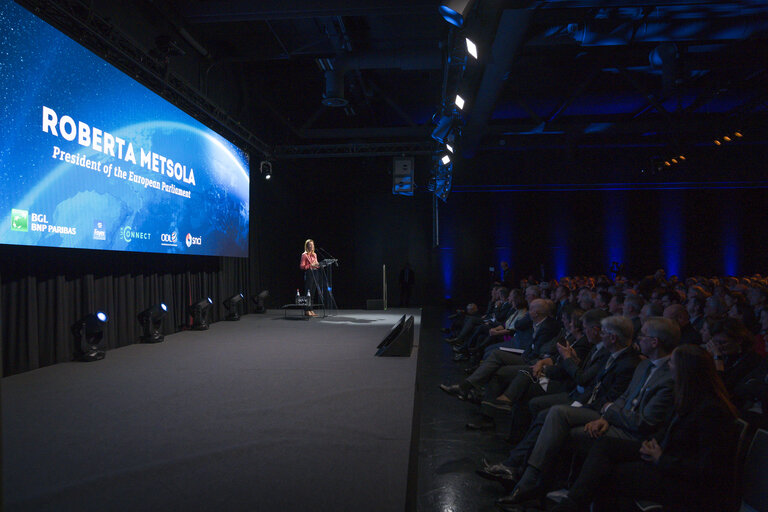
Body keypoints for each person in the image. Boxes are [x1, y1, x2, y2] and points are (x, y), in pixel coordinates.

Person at [551, 344, 739, 512]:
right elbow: (669, 432)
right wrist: (652, 444)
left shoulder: (711, 411)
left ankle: (571, 506)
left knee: (607, 473)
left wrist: (661, 458)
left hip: (682, 480)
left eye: (672, 363)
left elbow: (709, 469)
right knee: (605, 445)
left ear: (685, 370)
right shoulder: (689, 397)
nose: (668, 366)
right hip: (667, 457)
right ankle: (572, 504)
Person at [300, 239, 321, 317]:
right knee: (308, 293)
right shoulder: (304, 255)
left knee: (312, 293)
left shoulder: (314, 254)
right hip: (309, 274)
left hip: (315, 273)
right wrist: (310, 265)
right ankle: (306, 310)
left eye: (312, 245)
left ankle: (311, 309)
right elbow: (302, 266)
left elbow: (317, 264)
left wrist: (318, 265)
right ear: (307, 246)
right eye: (310, 245)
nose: (312, 246)